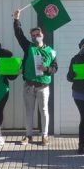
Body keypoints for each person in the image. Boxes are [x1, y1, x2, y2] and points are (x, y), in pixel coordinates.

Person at [13, 10, 58, 146]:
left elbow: (55, 68)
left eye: (38, 34)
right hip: (29, 85)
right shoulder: (28, 47)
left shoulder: (51, 51)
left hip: (43, 86)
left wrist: (47, 69)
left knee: (44, 111)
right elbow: (19, 35)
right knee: (29, 112)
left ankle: (45, 135)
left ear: (42, 35)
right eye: (33, 35)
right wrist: (16, 19)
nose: (36, 37)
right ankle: (28, 136)